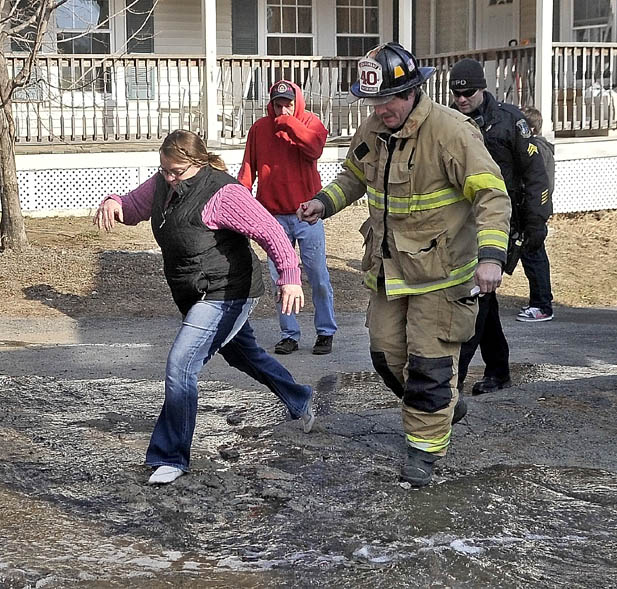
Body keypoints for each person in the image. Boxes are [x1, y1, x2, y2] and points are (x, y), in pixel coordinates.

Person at [297, 43, 511, 487]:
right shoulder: (374, 128)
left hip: (442, 277)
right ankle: (443, 405)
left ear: (413, 90)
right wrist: (323, 202)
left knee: (430, 366)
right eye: (373, 101)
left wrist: (491, 258)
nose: (382, 109)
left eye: (390, 99)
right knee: (386, 355)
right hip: (389, 272)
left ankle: (424, 452)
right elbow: (354, 176)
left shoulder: (452, 132)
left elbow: (492, 195)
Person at [94, 129, 315, 485]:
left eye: (176, 171)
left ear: (196, 164)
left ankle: (171, 457)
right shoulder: (163, 183)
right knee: (244, 356)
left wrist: (289, 276)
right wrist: (114, 203)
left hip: (227, 291)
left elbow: (271, 232)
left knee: (181, 364)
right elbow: (134, 207)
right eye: (164, 169)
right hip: (196, 294)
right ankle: (300, 398)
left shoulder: (223, 193)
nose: (168, 177)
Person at [448, 58, 551, 396]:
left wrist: (537, 221)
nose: (462, 99)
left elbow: (535, 174)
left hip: (504, 220)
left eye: (469, 93)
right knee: (484, 299)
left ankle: (454, 377)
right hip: (464, 221)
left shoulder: (510, 122)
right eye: (456, 94)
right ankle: (498, 370)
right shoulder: (450, 122)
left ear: (483, 88)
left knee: (476, 297)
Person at [238, 80, 337, 356]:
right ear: (270, 104)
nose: (283, 109)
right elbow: (248, 169)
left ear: (297, 103)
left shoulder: (311, 122)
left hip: (308, 213)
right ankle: (289, 334)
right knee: (280, 278)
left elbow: (314, 148)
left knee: (317, 274)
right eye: (278, 104)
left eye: (288, 104)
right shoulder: (259, 129)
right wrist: (241, 203)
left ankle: (325, 332)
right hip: (273, 217)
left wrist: (289, 124)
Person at [519, 106, 555, 323]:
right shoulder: (537, 148)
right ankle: (538, 300)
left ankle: (542, 305)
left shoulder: (537, 150)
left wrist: (532, 210)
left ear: (531, 128)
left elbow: (540, 184)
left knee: (534, 255)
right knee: (530, 255)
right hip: (532, 210)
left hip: (535, 211)